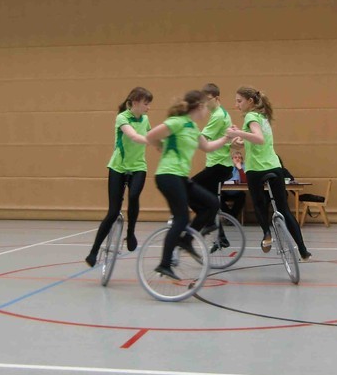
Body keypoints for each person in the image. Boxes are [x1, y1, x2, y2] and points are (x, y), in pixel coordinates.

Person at [145, 90, 235, 279]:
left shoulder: (193, 127)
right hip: (168, 175)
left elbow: (208, 147)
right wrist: (161, 146)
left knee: (212, 204)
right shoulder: (177, 122)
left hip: (181, 177)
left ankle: (186, 241)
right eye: (205, 107)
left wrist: (227, 138)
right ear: (200, 106)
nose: (207, 111)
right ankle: (164, 263)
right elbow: (151, 136)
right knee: (181, 218)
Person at [227, 86, 311, 260]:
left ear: (250, 101)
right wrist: (237, 140)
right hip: (274, 166)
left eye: (239, 101)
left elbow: (259, 138)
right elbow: (251, 142)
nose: (236, 105)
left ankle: (266, 234)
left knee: (259, 205)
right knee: (284, 209)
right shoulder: (262, 117)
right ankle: (303, 250)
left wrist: (238, 132)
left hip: (256, 169)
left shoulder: (250, 117)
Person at [84, 87, 154, 267]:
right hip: (118, 167)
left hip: (138, 167)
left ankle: (130, 233)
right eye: (146, 104)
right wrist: (151, 140)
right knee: (113, 212)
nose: (148, 108)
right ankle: (93, 251)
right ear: (135, 102)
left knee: (134, 196)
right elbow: (133, 136)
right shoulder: (122, 118)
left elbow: (151, 134)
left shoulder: (145, 119)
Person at [220, 149, 247, 221]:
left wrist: (240, 169)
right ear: (232, 159)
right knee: (217, 197)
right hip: (225, 192)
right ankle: (231, 217)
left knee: (242, 196)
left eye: (239, 158)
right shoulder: (227, 166)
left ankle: (230, 218)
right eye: (235, 157)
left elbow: (244, 181)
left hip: (237, 193)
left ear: (242, 160)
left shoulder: (243, 167)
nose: (237, 159)